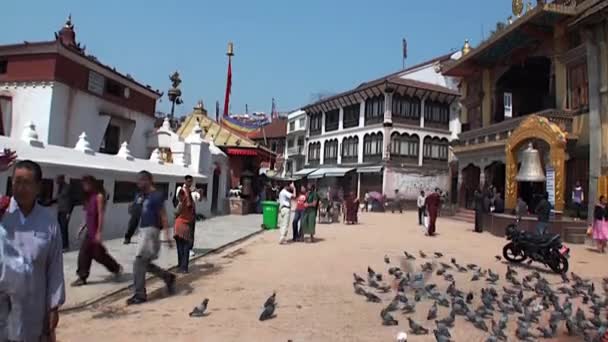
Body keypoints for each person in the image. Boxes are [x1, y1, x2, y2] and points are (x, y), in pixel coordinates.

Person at [0, 159, 65, 342]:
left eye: (26, 182)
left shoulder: (48, 221)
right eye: (16, 181)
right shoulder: (2, 211)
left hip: (33, 306)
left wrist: (53, 307)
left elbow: (54, 267)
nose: (20, 187)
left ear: (38, 187)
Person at [127, 170, 176, 305]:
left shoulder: (157, 196)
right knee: (144, 264)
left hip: (152, 231)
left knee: (139, 263)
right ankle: (168, 277)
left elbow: (163, 216)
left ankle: (140, 294)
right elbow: (135, 213)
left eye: (141, 181)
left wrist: (167, 235)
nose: (139, 184)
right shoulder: (142, 196)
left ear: (148, 180)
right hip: (143, 231)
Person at [71, 175, 123, 286]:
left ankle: (82, 276)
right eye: (83, 185)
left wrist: (99, 232)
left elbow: (100, 215)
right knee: (98, 254)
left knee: (84, 252)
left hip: (94, 231)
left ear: (92, 184)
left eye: (86, 184)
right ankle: (116, 268)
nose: (84, 186)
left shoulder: (99, 197)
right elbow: (88, 215)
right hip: (89, 230)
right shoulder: (89, 198)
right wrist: (82, 226)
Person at [174, 177, 196, 273]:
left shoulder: (184, 197)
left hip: (179, 223)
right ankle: (184, 267)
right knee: (185, 246)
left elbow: (176, 212)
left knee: (180, 247)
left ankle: (181, 265)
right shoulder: (188, 197)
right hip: (185, 223)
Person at [53, 175, 73, 251]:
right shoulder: (60, 187)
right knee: (60, 228)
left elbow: (70, 200)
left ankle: (65, 246)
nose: (56, 182)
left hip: (65, 211)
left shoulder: (67, 187)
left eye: (57, 180)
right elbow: (59, 198)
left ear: (62, 179)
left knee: (64, 228)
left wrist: (69, 212)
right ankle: (61, 244)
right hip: (60, 210)